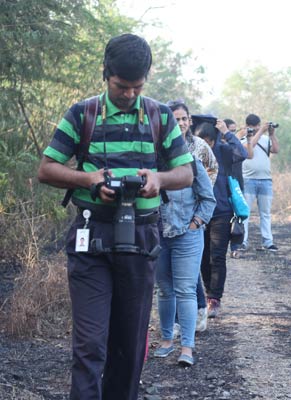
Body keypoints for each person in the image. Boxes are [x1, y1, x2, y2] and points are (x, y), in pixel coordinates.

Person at [37, 33, 193, 400]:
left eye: (136, 87)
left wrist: (158, 178)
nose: (129, 94)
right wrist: (89, 179)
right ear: (105, 74)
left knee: (130, 343)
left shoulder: (160, 115)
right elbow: (46, 169)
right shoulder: (83, 113)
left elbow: (185, 174)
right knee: (90, 343)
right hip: (92, 237)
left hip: (141, 239)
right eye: (121, 87)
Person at [154, 151, 216, 367]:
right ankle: (166, 340)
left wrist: (196, 223)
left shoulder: (191, 163)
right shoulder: (150, 159)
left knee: (186, 289)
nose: (179, 124)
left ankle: (187, 348)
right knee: (164, 289)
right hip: (157, 235)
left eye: (182, 119)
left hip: (187, 235)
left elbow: (208, 198)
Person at [166, 100, 219, 335]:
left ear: (190, 121)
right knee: (169, 280)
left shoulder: (197, 145)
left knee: (189, 272)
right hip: (167, 219)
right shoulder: (161, 145)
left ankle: (196, 314)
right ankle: (176, 322)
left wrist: (200, 203)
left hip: (193, 217)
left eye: (184, 119)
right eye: (175, 119)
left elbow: (212, 167)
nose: (180, 123)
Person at [196, 119, 247, 317]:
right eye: (202, 141)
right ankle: (208, 292)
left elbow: (242, 153)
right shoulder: (191, 153)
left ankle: (214, 299)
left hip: (221, 211)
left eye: (208, 141)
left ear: (214, 139)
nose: (205, 145)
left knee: (217, 257)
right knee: (202, 256)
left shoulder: (224, 150)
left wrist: (227, 132)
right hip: (199, 212)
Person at [240, 113, 279, 252]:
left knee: (265, 213)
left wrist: (271, 134)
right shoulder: (242, 139)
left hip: (265, 180)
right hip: (248, 180)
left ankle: (268, 242)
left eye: (258, 126)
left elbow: (276, 149)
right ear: (247, 126)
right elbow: (250, 147)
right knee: (245, 213)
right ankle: (242, 241)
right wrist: (260, 132)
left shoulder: (265, 138)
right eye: (253, 127)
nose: (256, 128)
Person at [224, 118, 245, 259]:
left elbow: (243, 153)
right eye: (230, 131)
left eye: (234, 131)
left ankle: (236, 246)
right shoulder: (220, 147)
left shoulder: (236, 146)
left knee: (238, 216)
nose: (233, 134)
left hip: (236, 184)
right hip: (223, 185)